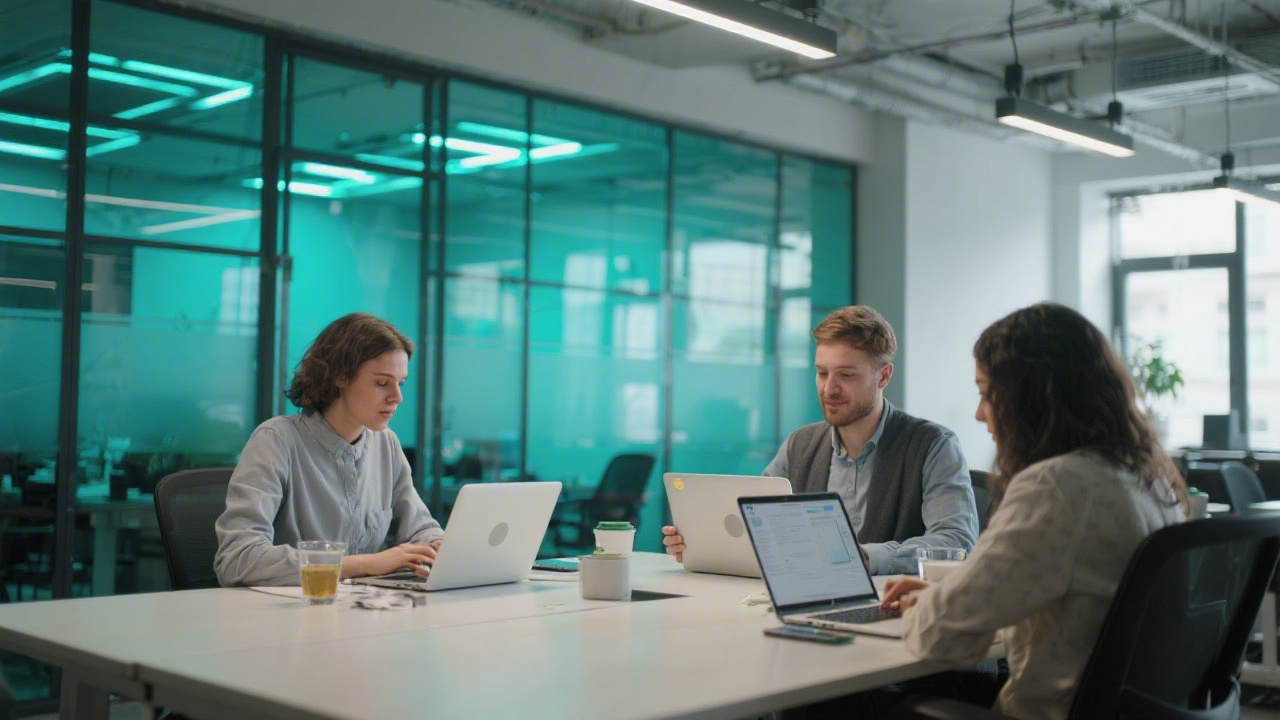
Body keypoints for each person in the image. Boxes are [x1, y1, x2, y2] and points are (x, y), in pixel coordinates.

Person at [880, 303, 1189, 720]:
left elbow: (939, 639)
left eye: (987, 393)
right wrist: (947, 595)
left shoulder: (1057, 487)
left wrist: (928, 609)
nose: (978, 413)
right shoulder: (1150, 477)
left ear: (1032, 398)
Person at [662, 305, 978, 575]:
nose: (829, 389)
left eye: (847, 375)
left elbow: (955, 541)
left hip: (893, 610)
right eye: (822, 373)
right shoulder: (801, 444)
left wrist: (865, 558)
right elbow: (751, 522)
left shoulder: (933, 445)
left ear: (883, 376)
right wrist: (704, 543)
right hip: (807, 597)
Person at [215, 312, 444, 587]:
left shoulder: (387, 444)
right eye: (382, 383)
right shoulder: (276, 441)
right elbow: (237, 559)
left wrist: (440, 546)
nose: (398, 397)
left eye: (401, 383)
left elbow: (420, 528)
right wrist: (365, 564)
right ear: (340, 377)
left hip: (364, 614)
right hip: (286, 618)